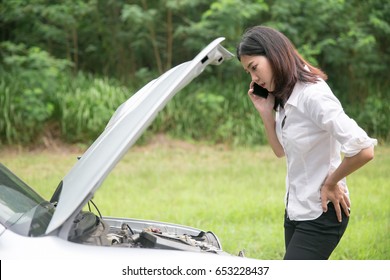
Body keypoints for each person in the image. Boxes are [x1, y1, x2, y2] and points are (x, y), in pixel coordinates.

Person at [236, 26, 377, 260]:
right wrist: (265, 112)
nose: (254, 79)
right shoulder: (287, 95)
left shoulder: (313, 95)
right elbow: (280, 151)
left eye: (254, 68)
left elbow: (364, 149)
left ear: (273, 54)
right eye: (248, 73)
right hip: (295, 210)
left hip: (322, 213)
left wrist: (331, 183)